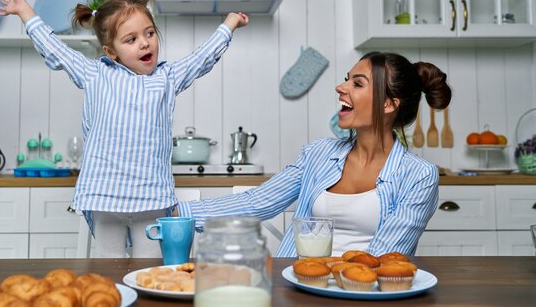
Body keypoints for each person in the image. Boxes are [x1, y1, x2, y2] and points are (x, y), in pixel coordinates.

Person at [0, 0, 248, 258]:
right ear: (111, 51)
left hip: (151, 197)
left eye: (150, 33)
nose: (144, 43)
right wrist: (25, 12)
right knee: (109, 271)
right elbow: (56, 50)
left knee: (148, 270)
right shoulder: (95, 74)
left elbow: (201, 58)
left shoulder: (166, 79)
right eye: (131, 39)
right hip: (104, 197)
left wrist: (229, 25)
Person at [177, 51, 451, 257]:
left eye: (357, 84)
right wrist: (177, 213)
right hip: (300, 287)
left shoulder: (418, 176)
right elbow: (257, 202)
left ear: (388, 103)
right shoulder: (318, 154)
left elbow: (382, 259)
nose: (340, 87)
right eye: (347, 80)